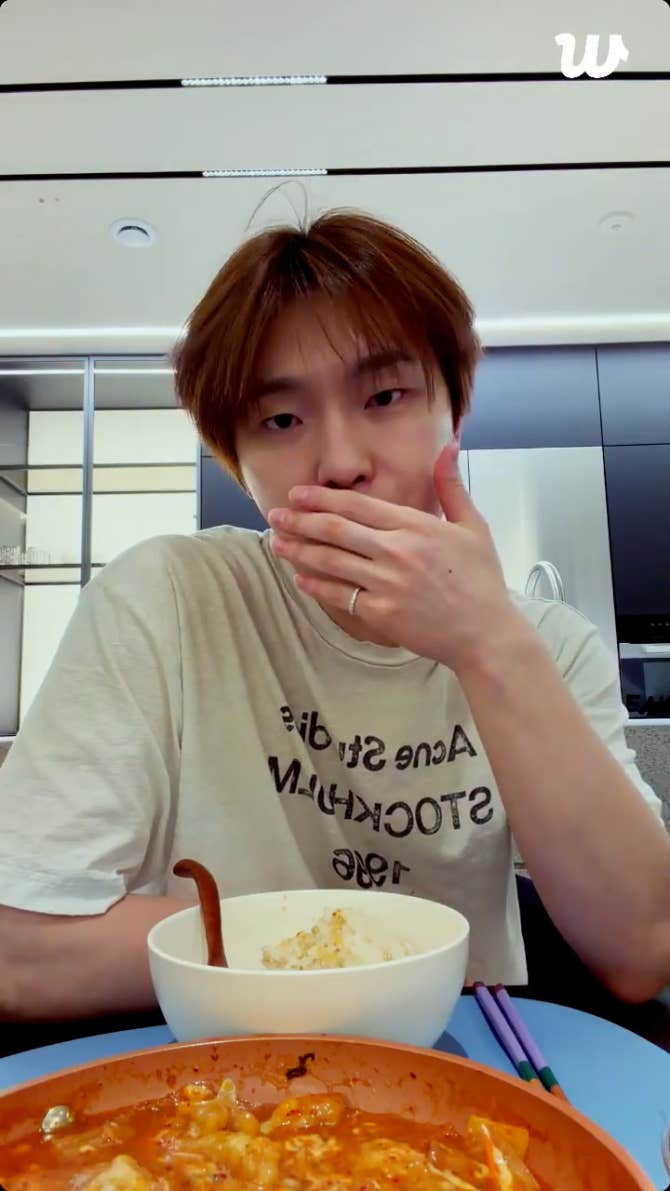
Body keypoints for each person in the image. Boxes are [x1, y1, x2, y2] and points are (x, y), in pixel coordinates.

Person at [0, 209, 668, 1025]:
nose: (342, 463)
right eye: (281, 420)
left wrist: (489, 644)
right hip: (214, 1071)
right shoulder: (167, 598)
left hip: (452, 1071)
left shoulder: (548, 646)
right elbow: (18, 952)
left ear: (454, 414)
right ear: (237, 461)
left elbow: (643, 948)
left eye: (385, 396)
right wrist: (326, 952)